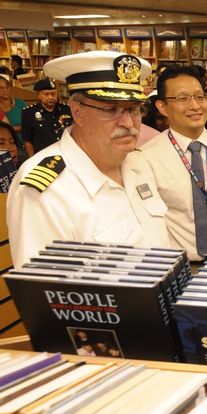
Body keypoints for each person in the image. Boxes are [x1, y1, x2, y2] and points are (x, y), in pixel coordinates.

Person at [7, 51, 170, 267]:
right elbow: (46, 293)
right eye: (111, 110)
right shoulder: (46, 190)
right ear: (77, 112)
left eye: (133, 110)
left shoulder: (137, 163)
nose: (128, 123)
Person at [141, 65, 207, 263]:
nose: (195, 106)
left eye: (200, 97)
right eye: (182, 98)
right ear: (162, 107)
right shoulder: (145, 158)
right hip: (178, 267)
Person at [21, 78, 73, 156]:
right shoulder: (29, 113)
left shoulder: (66, 109)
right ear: (38, 95)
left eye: (53, 94)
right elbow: (28, 140)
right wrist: (32, 159)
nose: (50, 97)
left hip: (66, 153)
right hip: (43, 156)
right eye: (46, 94)